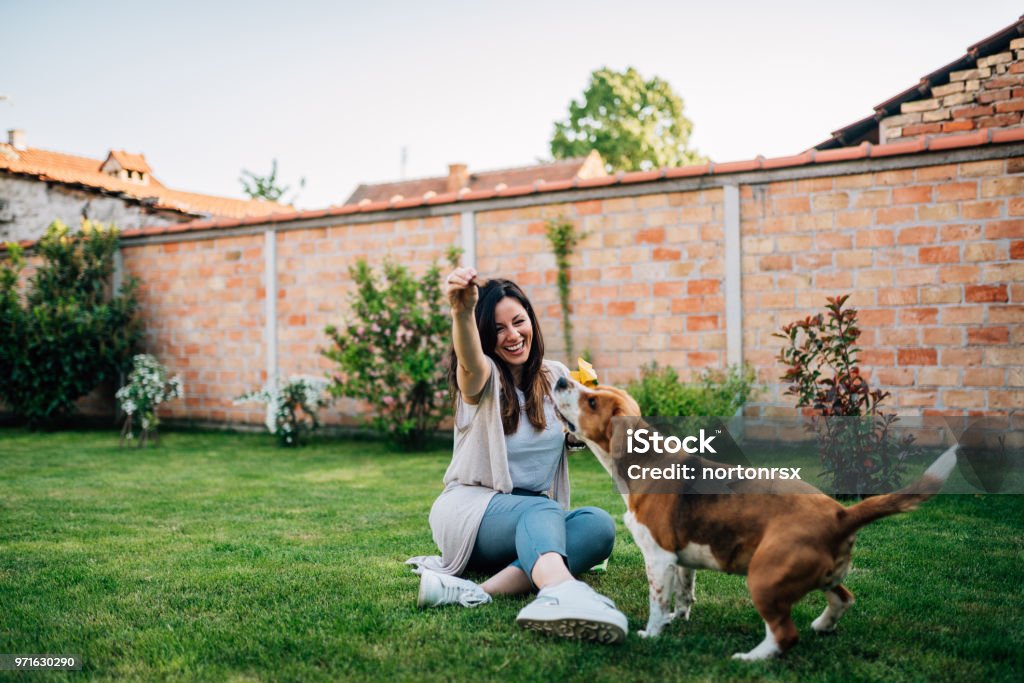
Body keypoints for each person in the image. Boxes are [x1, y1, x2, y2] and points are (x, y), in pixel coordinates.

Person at [405, 268, 628, 643]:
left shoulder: (554, 375)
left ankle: (476, 592)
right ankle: (562, 592)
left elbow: (580, 433)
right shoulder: (484, 378)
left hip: (529, 523)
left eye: (518, 322)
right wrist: (461, 313)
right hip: (472, 514)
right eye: (497, 329)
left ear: (531, 322)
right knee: (543, 509)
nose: (512, 335)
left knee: (599, 525)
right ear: (483, 337)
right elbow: (469, 364)